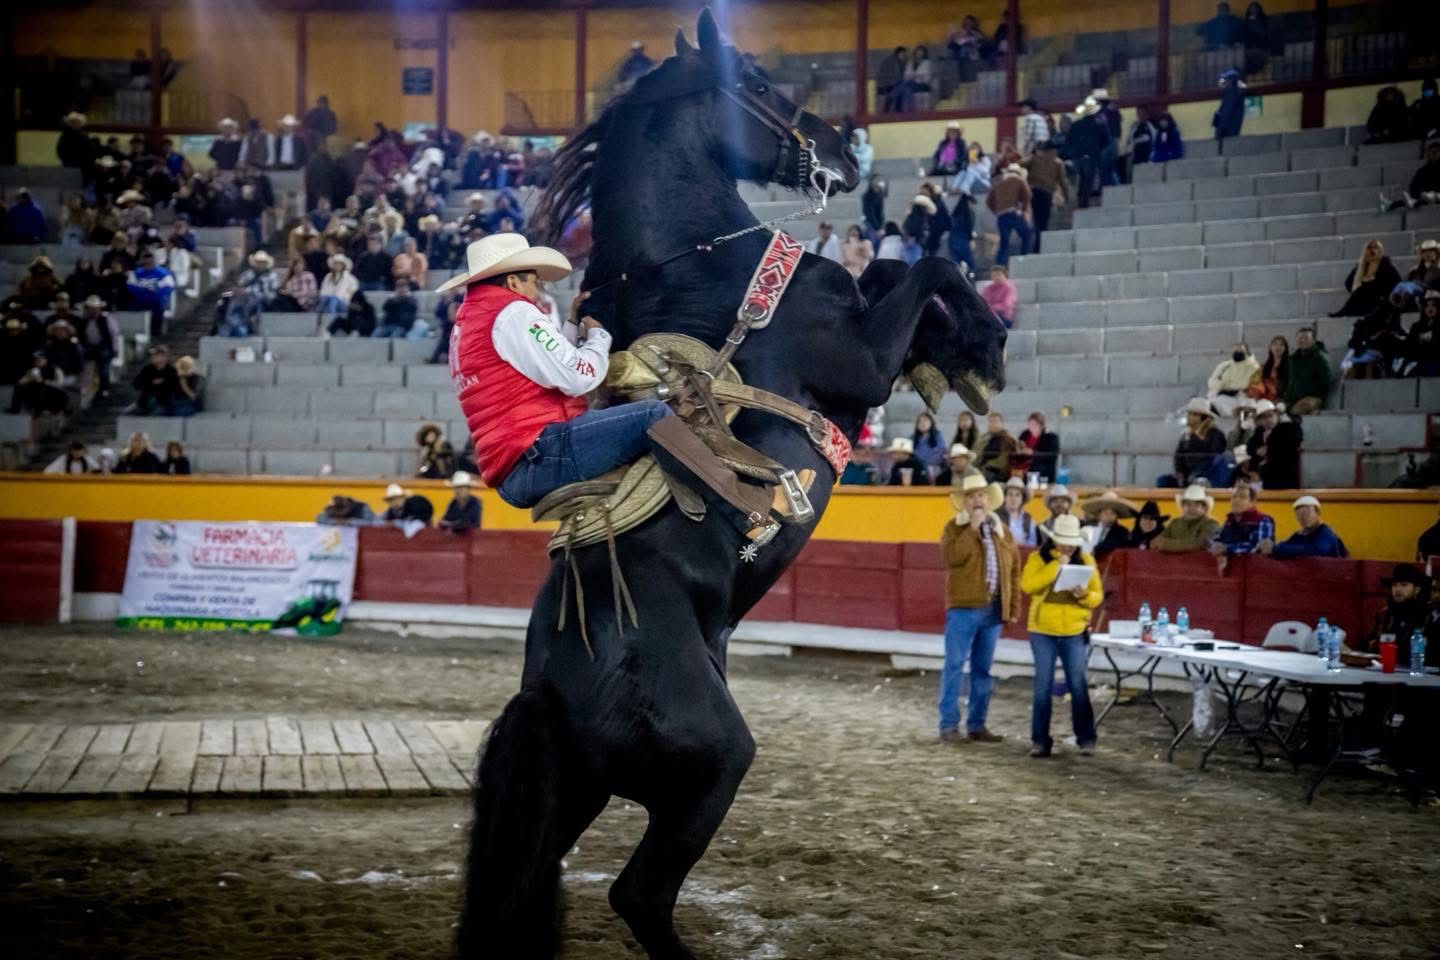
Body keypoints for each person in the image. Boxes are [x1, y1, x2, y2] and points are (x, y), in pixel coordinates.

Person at [938, 474, 1021, 743]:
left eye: (981, 496)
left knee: (982, 669)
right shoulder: (954, 528)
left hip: (993, 608)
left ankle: (977, 724)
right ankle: (949, 725)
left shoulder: (1001, 531)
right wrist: (972, 529)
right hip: (963, 608)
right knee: (954, 666)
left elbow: (1014, 571)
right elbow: (952, 558)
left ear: (989, 500)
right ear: (964, 502)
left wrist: (1012, 608)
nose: (977, 501)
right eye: (972, 496)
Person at [1021, 514, 1101, 758]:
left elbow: (1097, 595)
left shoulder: (1086, 560)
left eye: (1071, 542)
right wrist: (1056, 566)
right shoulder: (1038, 558)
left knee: (1077, 685)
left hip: (1073, 630)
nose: (1068, 546)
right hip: (1043, 630)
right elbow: (1028, 585)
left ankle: (1086, 738)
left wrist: (1083, 595)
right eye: (1063, 542)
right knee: (1042, 686)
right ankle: (1040, 741)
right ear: (1054, 540)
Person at [1350, 565, 1433, 667]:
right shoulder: (1385, 614)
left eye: (1404, 585)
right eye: (1394, 585)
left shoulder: (1426, 615)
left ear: (1417, 589)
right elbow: (1371, 645)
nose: (1398, 590)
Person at [1162, 398, 1227, 487]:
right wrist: (1180, 472)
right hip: (1187, 473)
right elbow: (1178, 456)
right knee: (1163, 481)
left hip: (1205, 474)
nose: (1188, 417)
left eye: (1194, 414)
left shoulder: (1215, 434)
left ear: (1204, 418)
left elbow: (1214, 458)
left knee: (1195, 479)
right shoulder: (1186, 435)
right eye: (1189, 414)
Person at [1209, 483, 1274, 571]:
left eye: (1242, 497)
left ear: (1252, 503)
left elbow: (1257, 547)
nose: (1237, 500)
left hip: (1253, 570)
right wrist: (1215, 545)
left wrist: (1226, 548)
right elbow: (1216, 539)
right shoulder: (1229, 521)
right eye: (1234, 497)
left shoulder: (1263, 520)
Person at [1259, 495, 1347, 559]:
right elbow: (1285, 545)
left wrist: (1275, 549)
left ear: (1318, 513)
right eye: (1299, 514)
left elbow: (1315, 550)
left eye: (1307, 513)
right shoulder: (1300, 534)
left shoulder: (1325, 532)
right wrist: (1270, 546)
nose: (1303, 517)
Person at [1022, 141, 1069, 253]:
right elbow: (1063, 182)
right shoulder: (1058, 163)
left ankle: (1035, 247)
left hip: (1032, 192)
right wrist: (1066, 197)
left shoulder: (1034, 158)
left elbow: (1019, 165)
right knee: (1043, 223)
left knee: (1036, 220)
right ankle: (1038, 249)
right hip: (1046, 194)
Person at [1244, 399, 1302, 490]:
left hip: (1282, 477)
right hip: (1262, 478)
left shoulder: (1287, 429)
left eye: (1270, 415)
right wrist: (1256, 451)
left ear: (1277, 415)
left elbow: (1288, 448)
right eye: (1264, 417)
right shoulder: (1259, 432)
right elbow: (1250, 448)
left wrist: (1269, 450)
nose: (1268, 420)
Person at [1333, 239, 1400, 317]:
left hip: (1381, 300)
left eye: (1375, 247)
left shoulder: (1387, 266)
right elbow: (1349, 283)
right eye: (1369, 248)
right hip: (1363, 301)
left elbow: (1397, 284)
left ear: (1380, 250)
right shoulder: (1361, 266)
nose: (1372, 250)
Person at [221, 250, 278, 337]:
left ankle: (250, 324)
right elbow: (239, 286)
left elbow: (272, 295)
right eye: (258, 262)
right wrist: (238, 291)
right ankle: (232, 323)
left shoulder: (271, 276)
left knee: (256, 302)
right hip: (245, 301)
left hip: (264, 303)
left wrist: (250, 291)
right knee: (228, 300)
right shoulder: (247, 274)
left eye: (262, 262)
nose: (260, 264)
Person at [986, 164, 1031, 268]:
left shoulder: (998, 182)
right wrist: (1022, 210)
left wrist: (996, 211)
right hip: (1013, 213)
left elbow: (988, 201)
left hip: (1001, 216)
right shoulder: (1019, 180)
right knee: (1026, 235)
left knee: (1004, 243)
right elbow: (1027, 195)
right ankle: (1024, 258)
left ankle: (1000, 266)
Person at [1155, 484, 1221, 553]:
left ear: (1204, 508)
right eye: (1188, 504)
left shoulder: (1211, 524)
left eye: (1196, 505)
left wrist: (1166, 545)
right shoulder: (1175, 523)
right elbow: (1158, 541)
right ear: (1183, 507)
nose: (1192, 509)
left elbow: (1201, 543)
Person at [1282, 326, 1332, 415]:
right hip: (1293, 399)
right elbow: (1288, 381)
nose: (1302, 340)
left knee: (1299, 408)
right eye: (1300, 338)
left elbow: (1326, 381)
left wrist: (1306, 392)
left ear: (1313, 341)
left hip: (1314, 398)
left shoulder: (1320, 358)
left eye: (1306, 338)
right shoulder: (1293, 359)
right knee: (1273, 408)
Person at [1206, 341, 1261, 417]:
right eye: (1235, 350)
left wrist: (1226, 384)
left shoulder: (1255, 367)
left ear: (1247, 352)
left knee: (1249, 404)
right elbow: (1212, 382)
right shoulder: (1224, 365)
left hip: (1242, 397)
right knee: (1211, 401)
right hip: (1221, 395)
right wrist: (1225, 387)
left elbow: (1246, 384)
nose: (1237, 352)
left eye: (1240, 350)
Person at [1080, 490, 1137, 561]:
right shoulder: (1089, 528)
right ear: (1099, 514)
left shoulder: (1122, 532)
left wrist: (1096, 549)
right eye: (1105, 512)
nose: (1108, 516)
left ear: (1117, 515)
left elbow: (1113, 545)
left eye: (1112, 513)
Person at [1401, 290, 1440, 377]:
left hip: (1435, 360)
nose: (1430, 308)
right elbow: (1410, 342)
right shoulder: (1416, 326)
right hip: (1418, 360)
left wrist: (1424, 337)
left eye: (1433, 305)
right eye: (1427, 306)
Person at [131, 346, 178, 415]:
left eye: (162, 356)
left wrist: (159, 384)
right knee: (130, 413)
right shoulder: (148, 369)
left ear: (167, 357)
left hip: (163, 403)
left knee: (156, 413)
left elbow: (173, 387)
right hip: (145, 401)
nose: (160, 358)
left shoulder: (171, 370)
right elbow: (136, 383)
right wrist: (152, 382)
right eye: (157, 356)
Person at [1016, 411, 1060, 482]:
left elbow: (1052, 457)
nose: (1032, 427)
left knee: (1036, 487)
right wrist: (1019, 449)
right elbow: (1018, 450)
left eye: (1035, 425)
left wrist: (1033, 453)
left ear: (1042, 425)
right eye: (1030, 424)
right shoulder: (1025, 434)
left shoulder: (1051, 437)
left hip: (1042, 473)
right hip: (1025, 471)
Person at [976, 411, 1018, 483]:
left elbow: (1014, 459)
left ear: (1001, 423)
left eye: (995, 421)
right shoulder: (982, 439)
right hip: (982, 470)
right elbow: (977, 456)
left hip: (1000, 473)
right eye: (990, 422)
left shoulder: (1009, 439)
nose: (993, 424)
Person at [319, 254, 358, 330]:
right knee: (325, 300)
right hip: (328, 301)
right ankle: (321, 322)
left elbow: (353, 292)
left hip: (344, 303)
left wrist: (341, 298)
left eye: (339, 264)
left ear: (343, 265)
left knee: (334, 300)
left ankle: (333, 320)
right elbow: (323, 292)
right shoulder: (328, 277)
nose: (337, 266)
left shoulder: (350, 278)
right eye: (336, 264)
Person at [996, 476, 1037, 547]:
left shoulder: (1029, 519)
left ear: (1022, 499)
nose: (1013, 499)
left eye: (1017, 495)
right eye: (1010, 494)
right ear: (1004, 497)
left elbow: (1032, 544)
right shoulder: (996, 516)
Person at [1213, 69, 1246, 142]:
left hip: (1226, 133)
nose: (1223, 81)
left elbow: (1225, 114)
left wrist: (1219, 131)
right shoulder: (1237, 92)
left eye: (1226, 79)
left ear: (1231, 81)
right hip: (1233, 131)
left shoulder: (1230, 93)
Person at [1127, 105, 1156, 177]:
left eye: (1143, 113)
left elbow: (1154, 140)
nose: (1140, 115)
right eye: (1139, 113)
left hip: (1147, 157)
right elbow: (1130, 139)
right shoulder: (1134, 126)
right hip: (1135, 156)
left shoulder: (1151, 126)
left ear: (1147, 114)